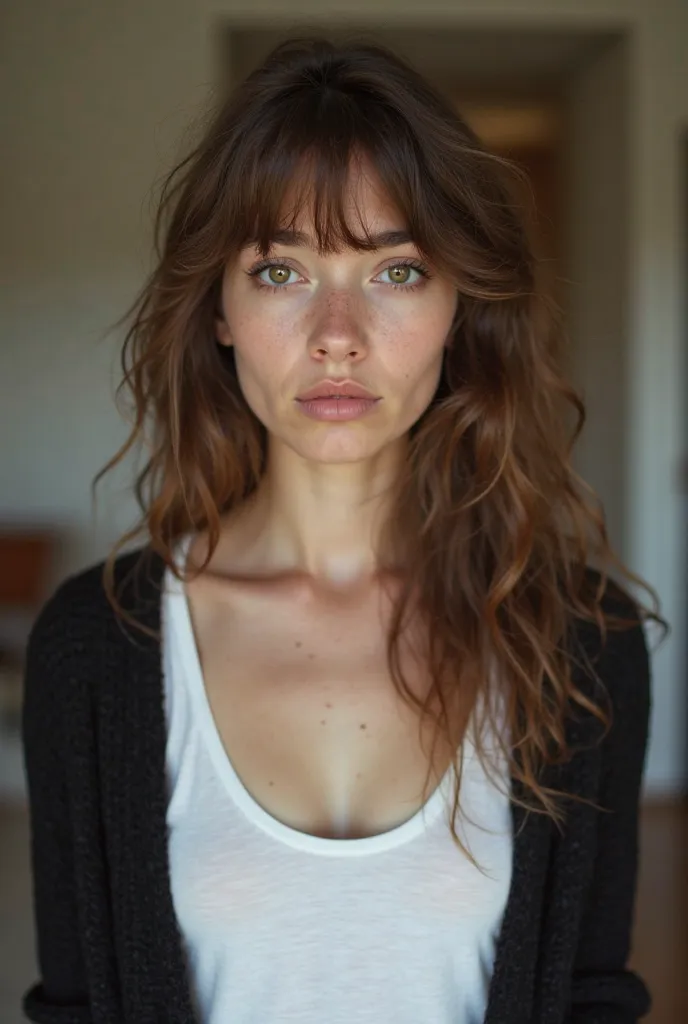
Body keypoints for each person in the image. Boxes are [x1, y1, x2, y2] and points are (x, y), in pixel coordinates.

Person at [21, 35, 668, 1024]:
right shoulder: (94, 648)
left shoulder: (585, 642)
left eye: (396, 271)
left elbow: (590, 997)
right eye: (281, 271)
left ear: (461, 305)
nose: (336, 334)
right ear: (221, 309)